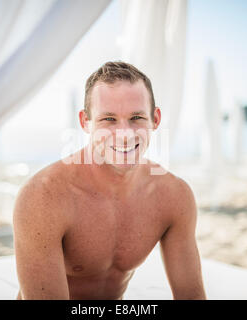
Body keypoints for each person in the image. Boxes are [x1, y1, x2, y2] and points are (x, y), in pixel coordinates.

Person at [14, 61, 206, 300]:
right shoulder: (44, 197)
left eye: (136, 117)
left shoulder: (174, 196)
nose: (124, 134)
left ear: (155, 119)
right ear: (86, 122)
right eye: (109, 119)